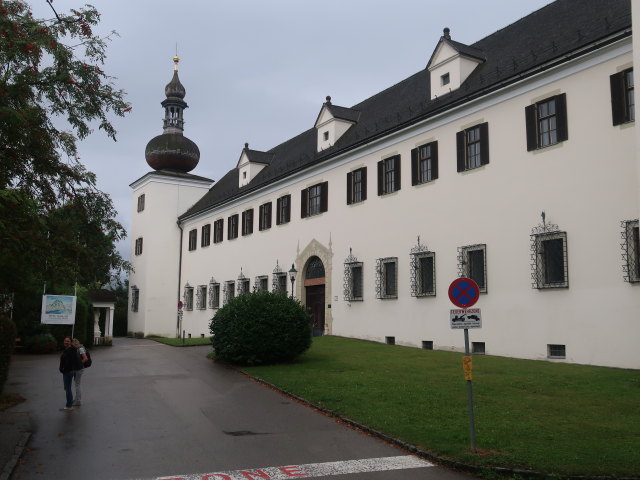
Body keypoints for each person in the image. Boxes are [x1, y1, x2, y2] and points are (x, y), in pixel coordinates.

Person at [59, 336, 77, 411]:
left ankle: (69, 406)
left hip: (68, 371)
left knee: (67, 388)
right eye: (65, 341)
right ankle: (70, 403)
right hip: (70, 371)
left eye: (67, 341)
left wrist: (63, 369)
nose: (66, 342)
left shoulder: (70, 351)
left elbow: (68, 362)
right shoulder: (70, 349)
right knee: (67, 388)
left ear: (70, 342)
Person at [72, 338, 88, 406]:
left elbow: (85, 358)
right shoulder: (77, 348)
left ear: (75, 343)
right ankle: (76, 399)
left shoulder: (80, 349)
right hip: (77, 368)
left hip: (79, 369)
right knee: (76, 384)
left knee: (77, 385)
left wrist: (79, 363)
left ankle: (78, 401)